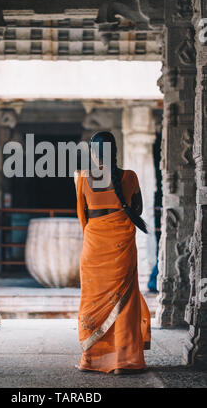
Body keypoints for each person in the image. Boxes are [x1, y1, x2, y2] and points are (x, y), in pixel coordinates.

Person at [74, 131, 151, 375]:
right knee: (125, 302)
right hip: (122, 245)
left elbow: (83, 216)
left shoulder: (83, 178)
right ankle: (125, 361)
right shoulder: (129, 177)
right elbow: (137, 208)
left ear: (94, 154)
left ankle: (92, 358)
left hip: (94, 247)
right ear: (115, 151)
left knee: (92, 300)